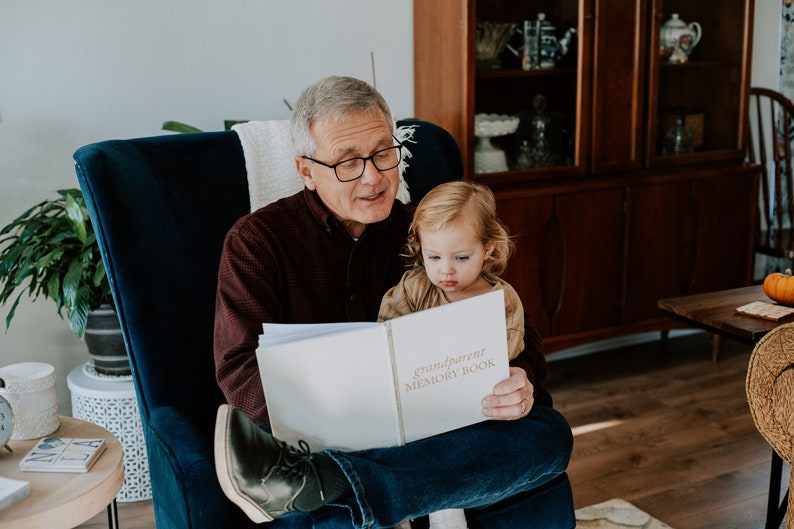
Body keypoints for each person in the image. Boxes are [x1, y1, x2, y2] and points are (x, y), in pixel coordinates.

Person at [213, 75, 573, 529]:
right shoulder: (256, 243)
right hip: (330, 432)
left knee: (550, 436)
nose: (375, 176)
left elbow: (512, 322)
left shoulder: (424, 229)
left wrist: (522, 378)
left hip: (436, 427)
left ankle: (328, 483)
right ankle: (350, 474)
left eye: (384, 153)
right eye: (348, 162)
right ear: (306, 171)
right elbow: (239, 371)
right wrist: (336, 419)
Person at [377, 180, 526, 529]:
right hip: (418, 399)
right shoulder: (415, 287)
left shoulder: (500, 300)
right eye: (434, 257)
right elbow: (386, 329)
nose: (446, 270)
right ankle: (401, 508)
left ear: (487, 249)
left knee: (453, 444)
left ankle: (446, 513)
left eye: (461, 258)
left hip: (473, 407)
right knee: (399, 436)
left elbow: (507, 352)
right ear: (420, 248)